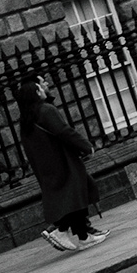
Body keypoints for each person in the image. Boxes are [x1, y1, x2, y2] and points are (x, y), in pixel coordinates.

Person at [17, 74, 106, 252]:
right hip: (62, 161)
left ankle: (83, 236)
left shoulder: (26, 118)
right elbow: (64, 131)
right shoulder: (45, 110)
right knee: (75, 196)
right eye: (40, 87)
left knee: (73, 197)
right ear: (36, 92)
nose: (44, 88)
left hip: (47, 166)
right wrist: (86, 146)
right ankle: (60, 230)